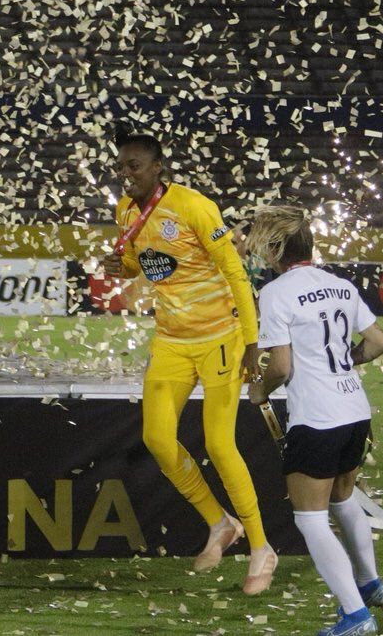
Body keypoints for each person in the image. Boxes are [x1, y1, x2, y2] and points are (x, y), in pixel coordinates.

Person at [112, 132, 274, 591]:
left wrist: (251, 340)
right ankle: (219, 523)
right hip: (170, 341)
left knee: (220, 445)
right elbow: (138, 264)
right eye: (121, 166)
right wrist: (118, 267)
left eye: (135, 166)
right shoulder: (125, 211)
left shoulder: (194, 207)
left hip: (219, 338)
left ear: (158, 167)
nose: (127, 174)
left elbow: (235, 273)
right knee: (158, 439)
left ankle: (262, 548)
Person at [250, 207, 383, 636]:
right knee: (344, 499)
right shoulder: (340, 285)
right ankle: (370, 585)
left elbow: (281, 366)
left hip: (317, 418)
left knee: (310, 520)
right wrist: (346, 363)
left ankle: (355, 615)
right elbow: (379, 343)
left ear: (276, 250)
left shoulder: (276, 293)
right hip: (354, 412)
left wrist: (261, 389)